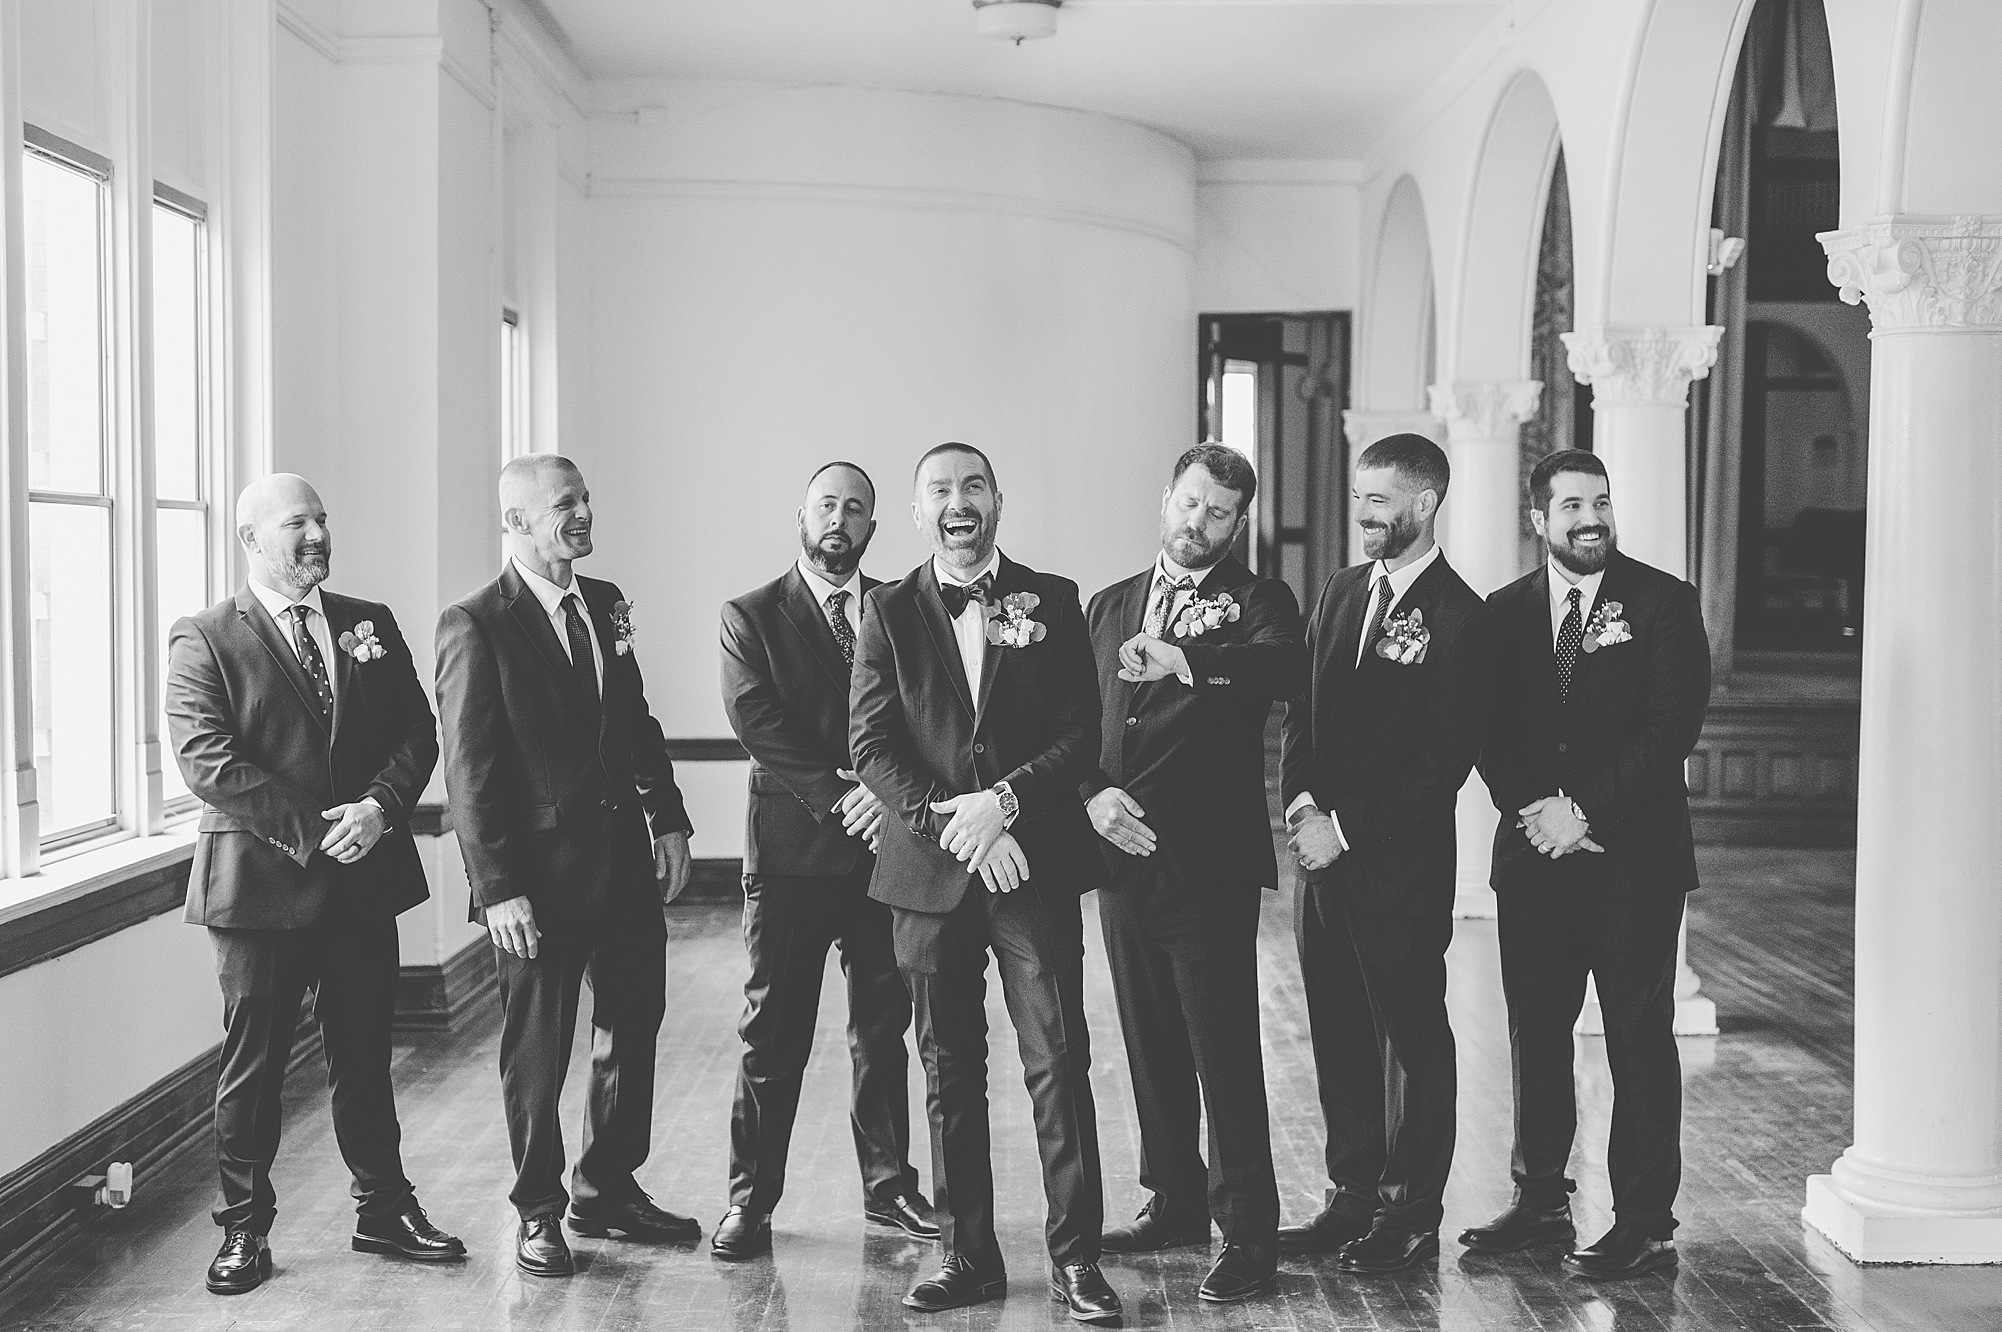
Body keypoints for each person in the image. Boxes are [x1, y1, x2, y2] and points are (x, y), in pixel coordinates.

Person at [166, 473, 465, 1296]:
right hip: (260, 887)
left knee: (365, 1054)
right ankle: (243, 1229)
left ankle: (384, 1210)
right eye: (297, 523)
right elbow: (207, 760)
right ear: (250, 538)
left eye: (322, 520)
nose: (317, 535)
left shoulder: (369, 622)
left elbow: (417, 729)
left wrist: (379, 808)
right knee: (254, 1065)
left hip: (362, 881)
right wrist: (318, 831)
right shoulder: (204, 637)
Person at [848, 442, 1118, 1323]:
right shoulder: (887, 610)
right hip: (931, 877)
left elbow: (1081, 733)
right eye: (940, 490)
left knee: (1058, 1060)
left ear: (997, 500)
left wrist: (1003, 804)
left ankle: (1077, 1259)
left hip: (1032, 865)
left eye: (972, 486)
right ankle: (967, 1255)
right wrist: (957, 827)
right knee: (949, 1069)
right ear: (918, 511)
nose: (957, 501)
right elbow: (871, 746)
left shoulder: (1056, 599)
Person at [434, 454, 697, 1279]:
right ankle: (538, 1210)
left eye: (583, 498)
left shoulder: (606, 603)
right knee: (538, 1053)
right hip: (536, 884)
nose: (581, 513)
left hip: (624, 866)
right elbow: (469, 771)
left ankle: (606, 1188)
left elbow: (634, 720)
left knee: (633, 1026)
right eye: (562, 504)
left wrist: (668, 818)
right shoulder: (475, 623)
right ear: (516, 521)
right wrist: (497, 889)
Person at [1462, 449, 1710, 1279]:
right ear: (1539, 518)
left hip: (1634, 862)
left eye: (1599, 501)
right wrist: (1540, 815)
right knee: (1535, 1033)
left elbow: (1672, 726)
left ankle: (1644, 1220)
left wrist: (1584, 811)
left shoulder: (1664, 602)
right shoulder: (1502, 613)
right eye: (1571, 505)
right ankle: (1539, 1200)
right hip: (1535, 859)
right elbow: (1485, 729)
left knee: (1637, 1037)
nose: (1590, 517)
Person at [1083, 442, 1305, 1303]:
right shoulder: (1108, 605)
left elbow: (1283, 666)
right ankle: (1172, 1200)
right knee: (1150, 1042)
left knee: (1225, 1049)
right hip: (1119, 859)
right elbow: (1074, 723)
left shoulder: (1259, 602)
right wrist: (1092, 797)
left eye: (1218, 513)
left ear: (1237, 523)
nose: (1198, 523)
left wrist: (1184, 658)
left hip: (1207, 866)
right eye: (1190, 503)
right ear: (1166, 499)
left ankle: (1247, 1231)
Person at [1278, 434, 1493, 1273]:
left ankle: (1410, 1213)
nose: (1363, 511)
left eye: (1379, 499)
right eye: (1359, 496)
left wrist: (1344, 828)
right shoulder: (1340, 590)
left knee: (1411, 1040)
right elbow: (1301, 710)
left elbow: (1443, 762)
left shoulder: (1462, 617)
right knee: (1338, 1031)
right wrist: (1301, 805)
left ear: (1425, 503)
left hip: (1397, 868)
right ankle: (1352, 1197)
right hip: (1320, 861)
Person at [711, 460, 936, 1259]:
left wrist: (886, 794)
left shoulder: (902, 608)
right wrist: (846, 795)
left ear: (873, 526)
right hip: (792, 855)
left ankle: (890, 1187)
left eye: (855, 509)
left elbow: (924, 712)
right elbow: (755, 719)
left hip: (886, 851)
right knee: (773, 1032)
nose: (839, 519)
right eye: (826, 506)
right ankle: (749, 1201)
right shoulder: (750, 614)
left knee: (883, 1027)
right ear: (802, 518)